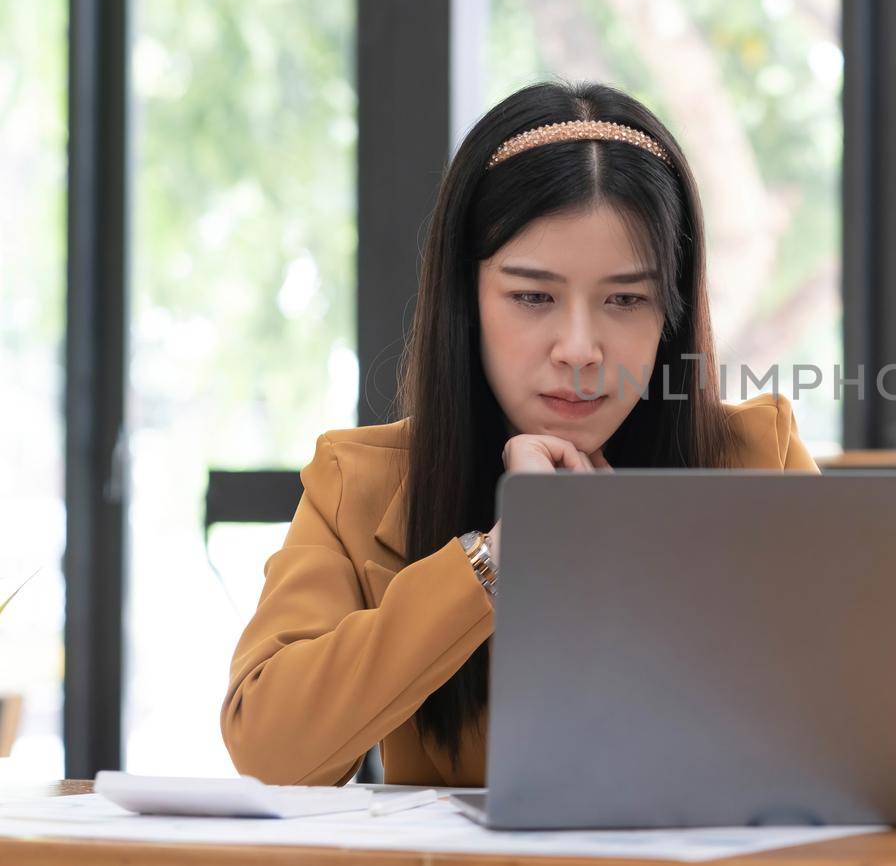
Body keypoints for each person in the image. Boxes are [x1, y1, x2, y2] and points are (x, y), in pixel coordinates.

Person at [221, 81, 816, 786]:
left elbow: (854, 732)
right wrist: (498, 557)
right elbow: (270, 749)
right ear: (466, 301)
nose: (578, 348)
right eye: (533, 296)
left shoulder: (755, 459)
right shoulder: (360, 484)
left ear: (672, 314)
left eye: (626, 299)